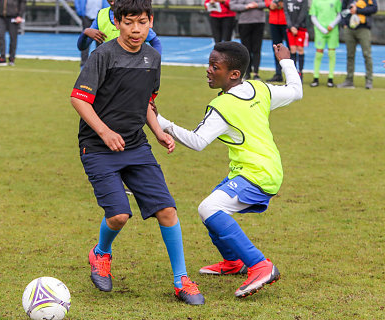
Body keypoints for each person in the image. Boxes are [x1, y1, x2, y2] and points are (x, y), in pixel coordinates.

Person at [70, 0, 205, 305]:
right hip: (97, 147)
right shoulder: (102, 56)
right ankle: (101, 254)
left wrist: (158, 133)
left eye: (142, 22)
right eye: (129, 22)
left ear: (150, 21)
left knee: (167, 211)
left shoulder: (153, 58)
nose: (135, 29)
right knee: (118, 216)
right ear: (117, 22)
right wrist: (104, 132)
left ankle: (181, 280)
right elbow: (79, 99)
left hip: (136, 145)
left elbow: (146, 102)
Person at [153, 42, 303, 298]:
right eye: (209, 64)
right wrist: (286, 61)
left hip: (256, 173)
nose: (208, 71)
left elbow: (197, 142)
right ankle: (233, 262)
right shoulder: (259, 88)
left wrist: (160, 121)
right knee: (210, 209)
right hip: (264, 168)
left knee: (209, 208)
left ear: (234, 74)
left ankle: (260, 265)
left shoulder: (221, 108)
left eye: (215, 66)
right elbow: (295, 91)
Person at [76, 0, 162, 55]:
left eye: (128, 23)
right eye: (128, 23)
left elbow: (156, 42)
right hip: (110, 69)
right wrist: (85, 33)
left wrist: (154, 63)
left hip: (132, 68)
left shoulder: (134, 15)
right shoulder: (102, 15)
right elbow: (82, 47)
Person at [337, 0, 377, 89]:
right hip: (349, 29)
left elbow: (374, 8)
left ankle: (369, 80)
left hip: (363, 29)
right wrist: (344, 23)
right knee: (350, 55)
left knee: (367, 54)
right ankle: (349, 80)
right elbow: (343, 9)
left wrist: (358, 10)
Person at [229, 0, 267, 80]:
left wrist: (257, 5)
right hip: (244, 22)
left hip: (259, 22)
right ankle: (247, 72)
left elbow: (268, 3)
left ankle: (256, 73)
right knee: (246, 49)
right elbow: (232, 5)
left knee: (257, 48)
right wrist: (246, 6)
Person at [309, 0, 341, 87]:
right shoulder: (315, 1)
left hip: (332, 30)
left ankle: (330, 78)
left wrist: (332, 25)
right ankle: (316, 78)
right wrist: (321, 28)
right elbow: (313, 16)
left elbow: (339, 15)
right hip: (320, 31)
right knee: (319, 53)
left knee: (331, 53)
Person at [0, 0, 26, 66]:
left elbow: (23, 2)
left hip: (13, 16)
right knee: (1, 36)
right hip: (1, 15)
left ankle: (12, 58)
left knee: (13, 37)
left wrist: (20, 15)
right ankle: (2, 58)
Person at [74, 0, 109, 67]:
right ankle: (83, 64)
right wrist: (79, 11)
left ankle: (100, 64)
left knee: (100, 41)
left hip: (100, 17)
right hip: (87, 16)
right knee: (85, 41)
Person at [284, 0, 308, 81]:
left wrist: (296, 26)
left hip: (300, 28)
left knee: (300, 49)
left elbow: (303, 12)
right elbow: (286, 12)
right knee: (292, 49)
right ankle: (293, 73)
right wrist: (290, 26)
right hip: (290, 29)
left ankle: (300, 72)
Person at [265, 0, 288, 82]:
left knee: (291, 49)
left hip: (287, 21)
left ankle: (292, 74)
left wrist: (285, 4)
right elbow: (266, 1)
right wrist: (270, 4)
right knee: (276, 48)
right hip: (274, 21)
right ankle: (278, 74)